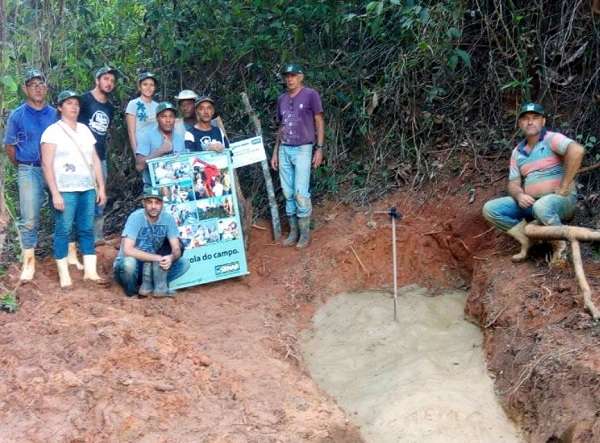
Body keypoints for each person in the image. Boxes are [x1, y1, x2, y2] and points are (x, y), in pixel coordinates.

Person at [482, 102, 585, 264]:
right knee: (491, 209)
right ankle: (527, 240)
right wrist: (519, 195)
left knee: (542, 206)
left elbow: (577, 150)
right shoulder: (517, 152)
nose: (530, 122)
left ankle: (560, 246)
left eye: (535, 117)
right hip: (533, 203)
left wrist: (564, 185)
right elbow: (513, 183)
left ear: (543, 121)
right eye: (525, 118)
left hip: (561, 200)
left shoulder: (552, 139)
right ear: (520, 123)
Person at [40, 90, 108, 288]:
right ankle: (64, 274)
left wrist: (101, 187)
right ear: (60, 107)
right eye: (69, 103)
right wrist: (55, 193)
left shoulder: (85, 130)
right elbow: (46, 164)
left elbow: (95, 159)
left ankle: (90, 272)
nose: (74, 107)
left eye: (76, 104)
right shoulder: (52, 132)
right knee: (63, 229)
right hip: (65, 189)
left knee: (86, 228)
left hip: (87, 187)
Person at [3, 69, 57, 282]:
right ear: (25, 89)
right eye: (33, 84)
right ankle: (28, 263)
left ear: (46, 87)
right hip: (29, 169)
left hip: (55, 168)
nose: (37, 88)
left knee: (62, 210)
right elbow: (9, 147)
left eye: (41, 84)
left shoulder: (55, 114)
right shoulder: (18, 115)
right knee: (29, 217)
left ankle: (64, 255)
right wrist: (23, 165)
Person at [270, 63, 325, 248]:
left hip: (303, 148)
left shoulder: (310, 95)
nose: (289, 79)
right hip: (285, 148)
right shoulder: (282, 99)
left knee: (300, 192)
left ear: (300, 77)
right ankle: (294, 232)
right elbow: (281, 126)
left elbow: (319, 120)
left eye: (293, 75)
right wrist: (275, 151)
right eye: (287, 76)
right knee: (288, 193)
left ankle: (304, 234)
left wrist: (319, 148)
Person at [113, 189, 190, 297]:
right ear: (143, 203)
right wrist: (157, 258)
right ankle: (132, 292)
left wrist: (171, 258)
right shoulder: (135, 217)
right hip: (133, 264)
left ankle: (153, 286)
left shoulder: (168, 219)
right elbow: (128, 250)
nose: (153, 206)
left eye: (157, 202)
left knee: (184, 263)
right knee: (129, 264)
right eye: (150, 202)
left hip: (151, 267)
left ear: (162, 204)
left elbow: (176, 248)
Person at [78, 66, 117, 244]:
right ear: (97, 80)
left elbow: (104, 133)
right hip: (80, 157)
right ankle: (78, 238)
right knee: (80, 197)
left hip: (100, 157)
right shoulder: (83, 100)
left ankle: (97, 237)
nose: (109, 83)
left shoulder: (110, 107)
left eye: (112, 81)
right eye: (106, 79)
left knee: (100, 196)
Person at [135, 102, 185, 190]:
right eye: (163, 116)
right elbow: (139, 166)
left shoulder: (179, 139)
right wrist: (161, 151)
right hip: (153, 189)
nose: (168, 120)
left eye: (171, 116)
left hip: (177, 188)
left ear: (174, 119)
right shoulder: (147, 136)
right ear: (157, 118)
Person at [125, 71, 159, 154]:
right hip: (142, 151)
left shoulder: (158, 106)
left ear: (155, 88)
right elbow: (131, 132)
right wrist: (136, 153)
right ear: (139, 87)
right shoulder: (133, 104)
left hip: (157, 150)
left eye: (151, 85)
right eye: (145, 84)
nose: (148, 87)